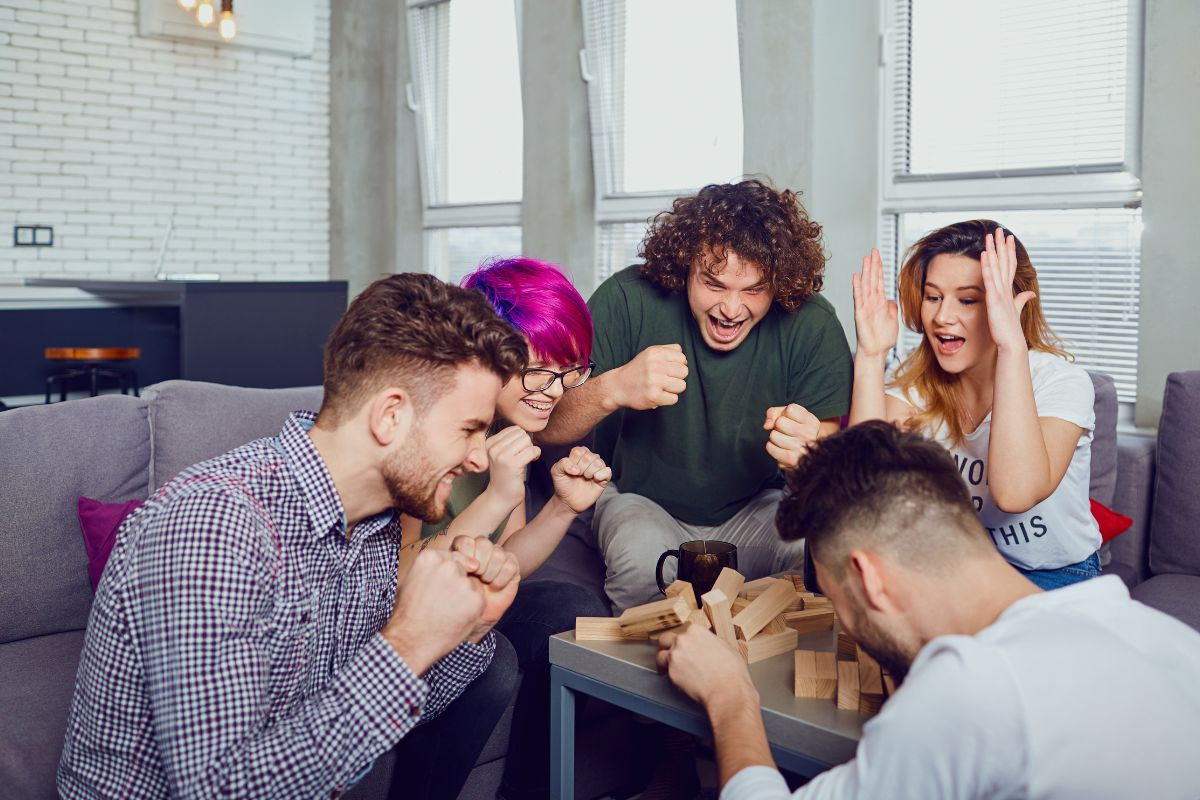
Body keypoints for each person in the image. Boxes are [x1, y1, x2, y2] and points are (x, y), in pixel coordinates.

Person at [58, 274, 529, 799]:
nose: (480, 457)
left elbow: (368, 720)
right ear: (390, 416)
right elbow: (218, 791)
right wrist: (409, 640)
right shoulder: (215, 525)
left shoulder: (373, 528)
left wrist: (467, 630)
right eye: (469, 428)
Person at [656, 422, 1200, 799]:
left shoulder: (974, 687)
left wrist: (730, 695)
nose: (846, 623)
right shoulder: (1162, 634)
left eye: (840, 603)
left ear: (870, 579)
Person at [541, 179, 853, 612]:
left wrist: (807, 457)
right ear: (684, 265)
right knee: (638, 557)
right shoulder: (627, 299)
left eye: (753, 290)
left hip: (757, 507)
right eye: (713, 283)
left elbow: (830, 478)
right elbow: (549, 426)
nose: (730, 308)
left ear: (778, 283)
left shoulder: (812, 324)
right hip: (639, 500)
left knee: (813, 550)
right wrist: (614, 388)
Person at [398, 257, 612, 800]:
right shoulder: (426, 427)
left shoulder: (509, 426)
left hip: (477, 603)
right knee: (491, 667)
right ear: (484, 353)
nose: (553, 391)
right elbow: (400, 580)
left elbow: (510, 558)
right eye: (536, 370)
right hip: (410, 616)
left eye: (568, 370)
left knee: (571, 608)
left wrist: (563, 507)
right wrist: (497, 494)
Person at [850, 220, 1102, 589]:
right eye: (933, 297)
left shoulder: (1061, 382)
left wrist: (1011, 346)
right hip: (953, 567)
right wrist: (871, 356)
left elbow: (1016, 493)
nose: (941, 317)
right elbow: (862, 488)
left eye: (968, 300)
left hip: (1054, 575)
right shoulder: (917, 381)